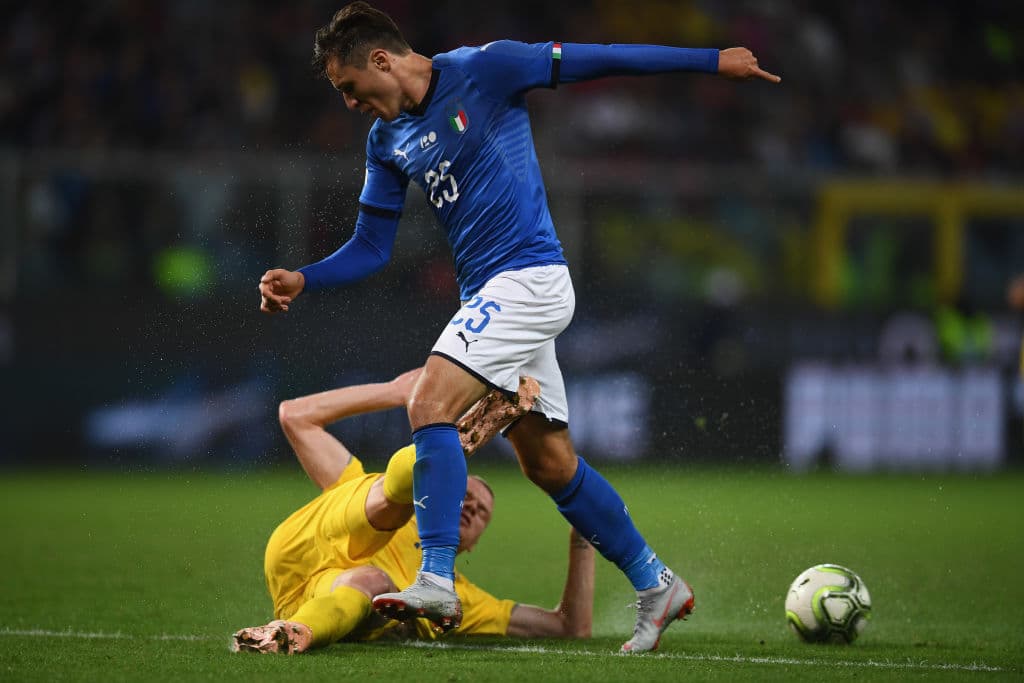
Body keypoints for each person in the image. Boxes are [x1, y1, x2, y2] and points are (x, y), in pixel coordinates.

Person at [257, 1, 780, 652]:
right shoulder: (385, 141)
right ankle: (656, 581)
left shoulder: (486, 69)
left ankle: (436, 577)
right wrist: (305, 278)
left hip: (529, 278)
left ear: (382, 61)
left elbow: (600, 60)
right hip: (493, 297)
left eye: (350, 88)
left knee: (428, 402)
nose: (351, 103)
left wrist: (710, 61)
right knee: (550, 463)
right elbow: (371, 244)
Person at [232, 369, 595, 654]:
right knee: (392, 499)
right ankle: (452, 444)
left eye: (482, 511)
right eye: (466, 495)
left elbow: (569, 627)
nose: (471, 505)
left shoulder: (462, 599)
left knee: (372, 583)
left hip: (316, 600)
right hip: (303, 546)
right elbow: (294, 415)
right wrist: (394, 391)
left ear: (472, 545)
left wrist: (584, 539)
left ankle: (290, 634)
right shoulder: (356, 483)